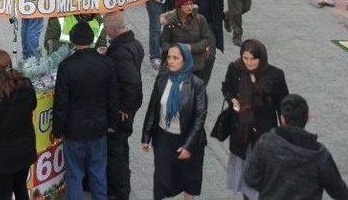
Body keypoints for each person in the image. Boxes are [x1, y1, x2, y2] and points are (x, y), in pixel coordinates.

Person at [52, 22, 119, 200]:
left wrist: (57, 130)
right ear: (92, 40)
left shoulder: (66, 66)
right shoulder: (106, 63)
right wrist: (112, 123)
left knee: (74, 176)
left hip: (73, 131)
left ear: (73, 41)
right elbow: (113, 97)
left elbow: (61, 103)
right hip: (98, 129)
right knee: (98, 173)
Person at [244, 94, 348, 200]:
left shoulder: (265, 143)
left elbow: (250, 178)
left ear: (282, 119)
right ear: (307, 118)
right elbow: (341, 193)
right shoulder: (320, 156)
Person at [222, 39, 289, 200]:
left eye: (253, 59)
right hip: (242, 133)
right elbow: (227, 88)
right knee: (247, 178)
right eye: (245, 58)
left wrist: (286, 128)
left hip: (265, 134)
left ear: (262, 57)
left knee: (264, 178)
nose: (249, 62)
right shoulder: (235, 69)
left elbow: (284, 103)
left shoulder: (275, 75)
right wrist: (233, 100)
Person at [141, 43, 207, 200]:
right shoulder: (163, 79)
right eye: (169, 57)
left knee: (190, 179)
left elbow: (200, 117)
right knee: (161, 179)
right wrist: (146, 137)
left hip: (188, 137)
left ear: (185, 61)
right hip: (164, 137)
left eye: (175, 58)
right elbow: (153, 109)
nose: (170, 61)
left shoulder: (197, 85)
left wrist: (188, 145)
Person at [0, 50, 37, 200]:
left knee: (4, 195)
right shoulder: (25, 84)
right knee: (21, 188)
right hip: (24, 150)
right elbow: (33, 105)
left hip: (3, 156)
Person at [103, 11, 144, 200]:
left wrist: (124, 109)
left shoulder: (120, 53)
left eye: (106, 28)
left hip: (121, 111)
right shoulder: (133, 44)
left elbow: (133, 83)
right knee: (121, 148)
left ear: (112, 29)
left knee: (116, 153)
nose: (105, 31)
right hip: (126, 109)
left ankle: (119, 192)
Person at [160, 0, 216, 85]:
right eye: (186, 4)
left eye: (191, 3)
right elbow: (164, 41)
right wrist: (174, 51)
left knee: (194, 93)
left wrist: (191, 47)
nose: (189, 6)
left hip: (197, 64)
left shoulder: (200, 19)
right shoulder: (171, 22)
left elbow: (207, 40)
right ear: (179, 6)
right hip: (178, 64)